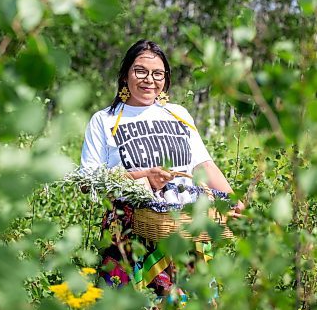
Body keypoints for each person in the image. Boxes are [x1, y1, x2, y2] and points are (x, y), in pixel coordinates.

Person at [80, 39, 244, 294]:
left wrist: (233, 202)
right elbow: (89, 180)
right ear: (125, 75)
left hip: (184, 229)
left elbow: (203, 164)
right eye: (140, 71)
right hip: (129, 232)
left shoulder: (178, 114)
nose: (149, 80)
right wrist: (144, 176)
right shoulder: (104, 120)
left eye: (158, 74)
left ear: (166, 80)